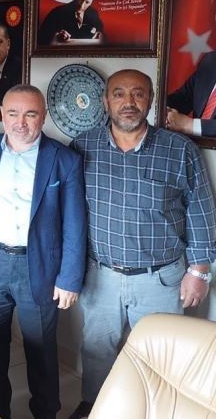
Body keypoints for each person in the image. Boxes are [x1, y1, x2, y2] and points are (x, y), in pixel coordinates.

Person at [68, 69, 216, 419]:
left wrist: (200, 271)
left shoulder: (179, 150)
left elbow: (201, 211)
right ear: (106, 101)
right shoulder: (82, 147)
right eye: (119, 94)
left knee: (161, 358)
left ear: (151, 101)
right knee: (97, 351)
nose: (128, 102)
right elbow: (69, 214)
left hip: (161, 280)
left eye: (138, 94)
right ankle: (95, 408)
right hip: (100, 275)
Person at [0, 85, 86, 419]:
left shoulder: (64, 160)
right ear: (2, 115)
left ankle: (45, 412)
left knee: (41, 351)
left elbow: (75, 224)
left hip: (39, 267)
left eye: (30, 114)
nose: (20, 122)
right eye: (13, 113)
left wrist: (69, 278)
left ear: (43, 116)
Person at [37, 0, 104, 45]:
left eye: (87, 2)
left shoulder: (93, 14)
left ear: (92, 1)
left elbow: (100, 30)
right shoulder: (57, 13)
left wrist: (99, 34)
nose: (82, 6)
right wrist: (55, 37)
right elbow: (41, 38)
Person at [166, 50, 216, 137]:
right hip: (193, 143)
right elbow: (182, 98)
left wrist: (189, 125)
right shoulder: (211, 61)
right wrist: (164, 110)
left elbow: (187, 125)